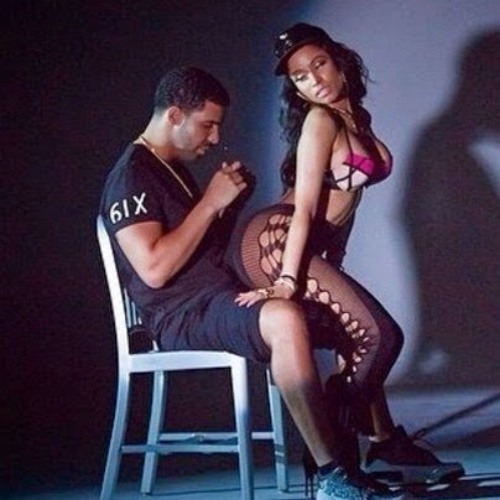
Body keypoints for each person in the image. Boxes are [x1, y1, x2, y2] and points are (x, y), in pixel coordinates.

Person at [99, 66, 410, 499]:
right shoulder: (132, 175)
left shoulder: (171, 168)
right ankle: (331, 476)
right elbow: (154, 269)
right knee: (283, 318)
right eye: (207, 125)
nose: (215, 138)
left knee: (346, 318)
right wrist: (211, 202)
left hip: (218, 300)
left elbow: (198, 254)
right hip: (181, 315)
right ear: (174, 115)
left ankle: (372, 446)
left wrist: (227, 209)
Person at [226, 22, 465, 490]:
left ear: (338, 61)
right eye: (299, 76)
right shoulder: (321, 120)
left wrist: (330, 266)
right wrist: (288, 280)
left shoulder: (355, 117)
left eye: (318, 64)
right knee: (382, 336)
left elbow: (344, 210)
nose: (313, 80)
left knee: (359, 335)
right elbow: (306, 208)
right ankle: (332, 453)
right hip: (274, 237)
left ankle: (382, 445)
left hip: (302, 244)